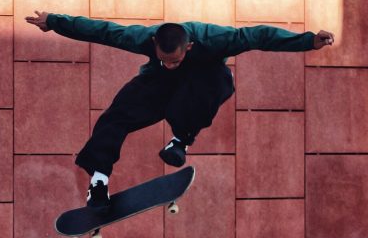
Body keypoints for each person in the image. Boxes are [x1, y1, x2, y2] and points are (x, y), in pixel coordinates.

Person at [23, 11, 334, 209]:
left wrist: (309, 41)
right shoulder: (145, 39)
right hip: (157, 87)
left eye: (174, 59)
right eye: (163, 58)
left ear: (189, 48)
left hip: (198, 86)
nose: (169, 63)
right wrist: (54, 22)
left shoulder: (215, 39)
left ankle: (180, 140)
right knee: (115, 116)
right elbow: (102, 30)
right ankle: (99, 181)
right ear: (155, 44)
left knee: (221, 79)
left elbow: (259, 36)